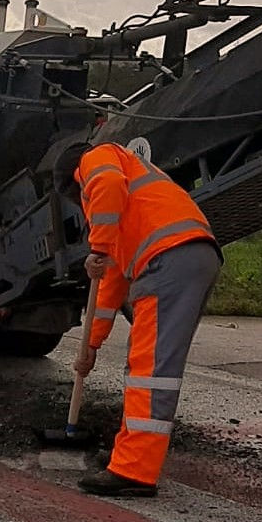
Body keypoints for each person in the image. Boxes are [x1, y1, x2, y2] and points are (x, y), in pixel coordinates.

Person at [61, 140, 222, 497]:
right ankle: (130, 454)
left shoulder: (97, 158)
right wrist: (90, 345)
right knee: (150, 364)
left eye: (77, 197)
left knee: (150, 370)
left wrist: (97, 247)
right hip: (189, 254)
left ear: (75, 179)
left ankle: (134, 469)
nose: (82, 206)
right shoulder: (132, 206)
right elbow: (109, 289)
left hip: (170, 257)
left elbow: (105, 185)